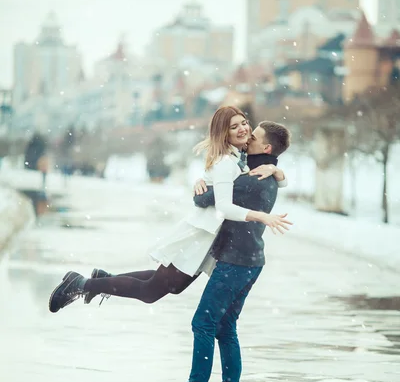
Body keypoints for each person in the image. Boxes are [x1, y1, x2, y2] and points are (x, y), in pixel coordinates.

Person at [48, 107, 290, 313]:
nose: (245, 131)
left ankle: (101, 280)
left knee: (162, 283)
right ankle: (82, 284)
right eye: (234, 126)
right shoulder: (229, 161)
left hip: (208, 237)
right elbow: (222, 202)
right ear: (223, 134)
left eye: (245, 124)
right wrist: (259, 214)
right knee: (152, 291)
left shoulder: (240, 157)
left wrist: (277, 172)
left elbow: (244, 181)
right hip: (201, 235)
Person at [156, 120, 291, 382]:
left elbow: (204, 200)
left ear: (265, 148)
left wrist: (202, 186)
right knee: (226, 328)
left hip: (234, 263)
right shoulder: (263, 175)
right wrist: (278, 171)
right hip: (251, 263)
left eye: (253, 137)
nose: (247, 139)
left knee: (202, 324)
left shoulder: (249, 179)